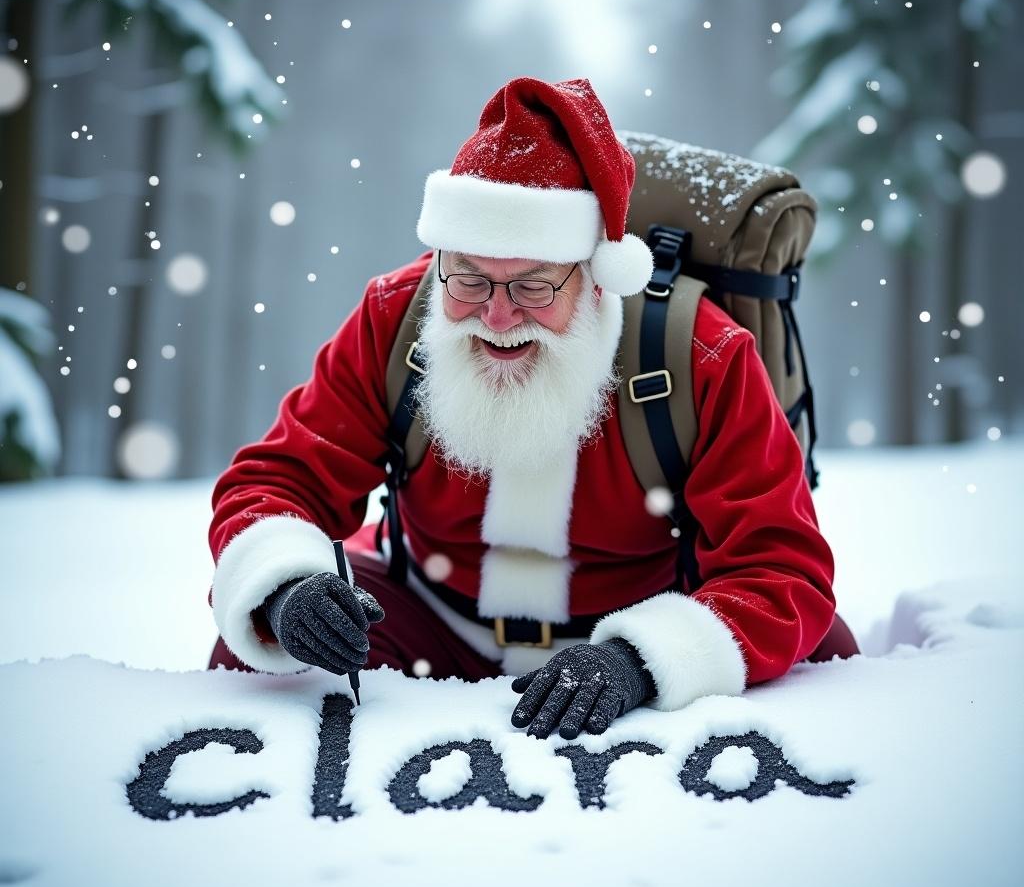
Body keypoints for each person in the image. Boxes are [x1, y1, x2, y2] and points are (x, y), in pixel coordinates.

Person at [207, 76, 857, 741]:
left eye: (533, 285)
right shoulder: (395, 319)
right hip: (428, 624)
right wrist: (287, 587)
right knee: (259, 658)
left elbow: (780, 568)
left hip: (631, 630)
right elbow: (279, 480)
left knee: (824, 656)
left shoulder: (702, 354)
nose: (496, 315)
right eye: (468, 278)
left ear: (597, 276)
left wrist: (641, 661)